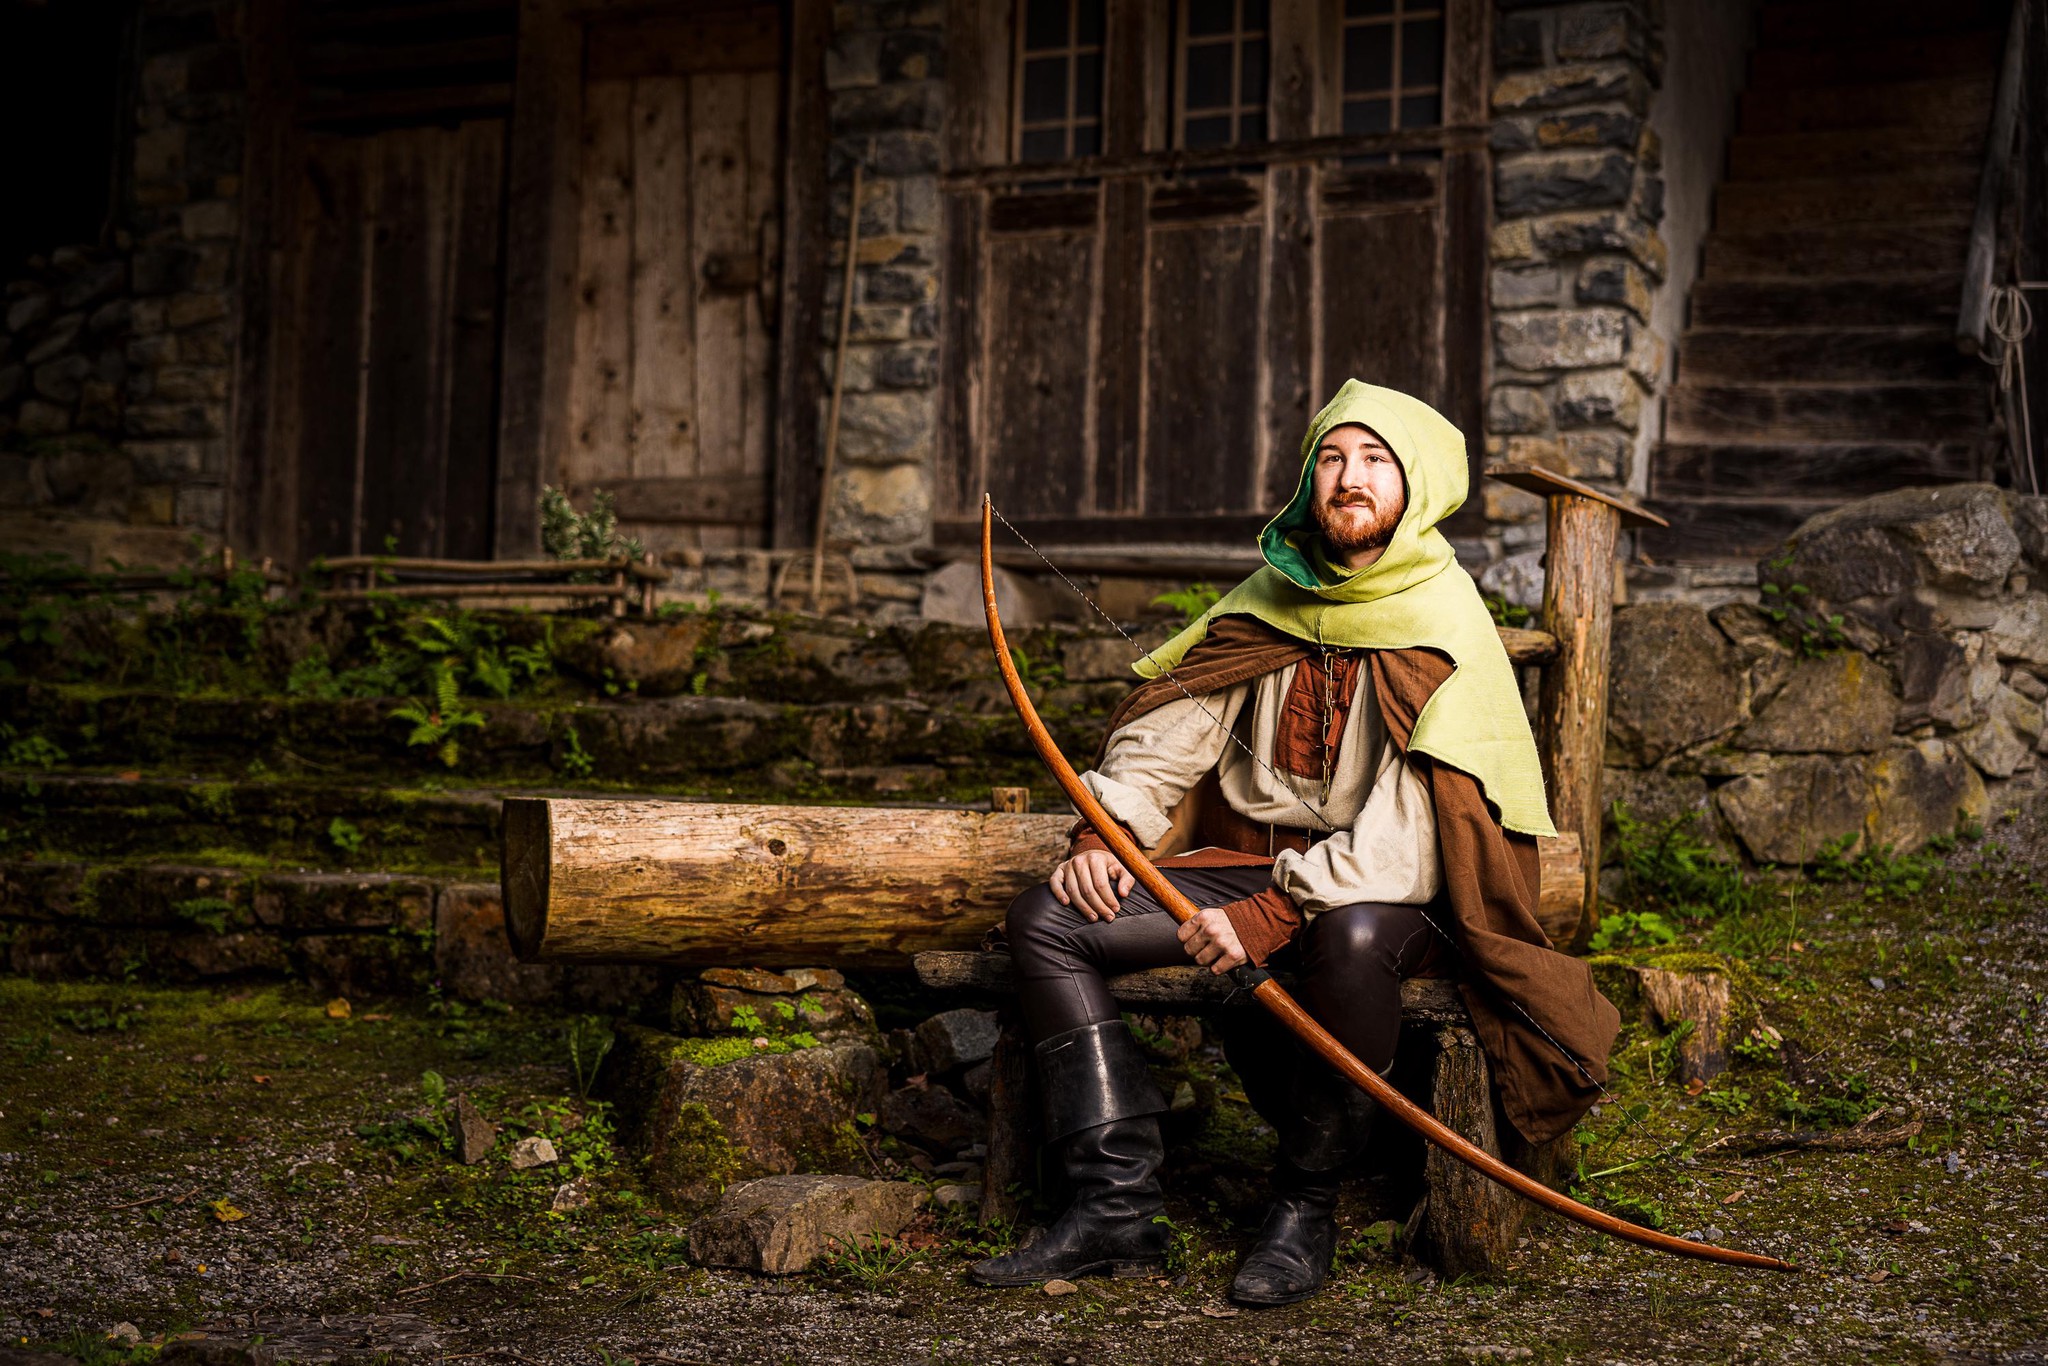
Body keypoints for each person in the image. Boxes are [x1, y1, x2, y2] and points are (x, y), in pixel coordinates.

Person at [970, 380, 1621, 1306]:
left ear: (1419, 484)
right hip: (1248, 872)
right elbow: (1168, 738)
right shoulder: (1268, 600)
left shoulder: (1446, 625)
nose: (1349, 478)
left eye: (1375, 460)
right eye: (1332, 457)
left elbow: (1416, 828)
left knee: (1350, 937)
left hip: (1387, 896)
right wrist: (1105, 833)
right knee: (1048, 920)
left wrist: (1276, 912)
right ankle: (1113, 1205)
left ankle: (1304, 1205)